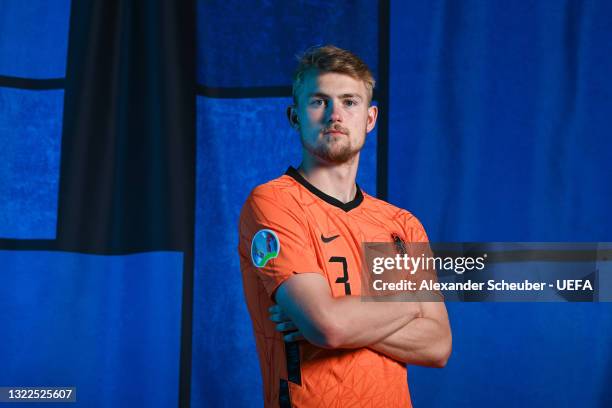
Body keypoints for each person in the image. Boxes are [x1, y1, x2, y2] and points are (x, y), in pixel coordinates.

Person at [238, 45, 451, 408]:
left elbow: (438, 345)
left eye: (350, 102)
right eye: (319, 101)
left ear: (370, 119)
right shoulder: (275, 202)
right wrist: (414, 304)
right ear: (294, 116)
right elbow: (329, 326)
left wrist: (340, 320)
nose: (335, 114)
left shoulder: (400, 224)